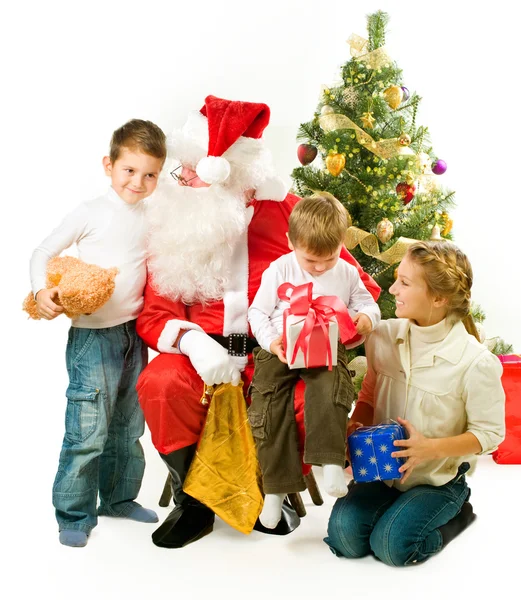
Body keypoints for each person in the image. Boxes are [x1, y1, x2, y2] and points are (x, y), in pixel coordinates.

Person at [135, 95, 381, 549]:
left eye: (200, 172)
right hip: (202, 352)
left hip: (277, 350)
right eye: (189, 170)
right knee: (160, 383)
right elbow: (155, 311)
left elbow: (354, 283)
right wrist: (193, 344)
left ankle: (276, 485)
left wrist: (325, 326)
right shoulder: (176, 220)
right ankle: (195, 501)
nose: (190, 181)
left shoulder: (292, 214)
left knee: (313, 398)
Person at [324, 240, 505, 566]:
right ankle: (395, 512)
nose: (392, 289)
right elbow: (367, 395)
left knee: (393, 547)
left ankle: (459, 513)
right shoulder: (382, 338)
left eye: (405, 283)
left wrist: (429, 449)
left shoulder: (475, 362)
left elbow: (490, 435)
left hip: (437, 480)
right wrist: (358, 423)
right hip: (382, 472)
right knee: (345, 537)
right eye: (396, 278)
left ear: (438, 298)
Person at [30, 119, 167, 547]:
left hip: (134, 335)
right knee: (88, 428)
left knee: (128, 427)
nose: (138, 182)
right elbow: (43, 251)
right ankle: (73, 513)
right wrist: (41, 290)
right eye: (129, 170)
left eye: (150, 175)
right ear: (109, 165)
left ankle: (119, 498)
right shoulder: (91, 212)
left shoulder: (152, 216)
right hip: (92, 337)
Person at [247, 192, 381, 529]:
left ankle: (330, 462)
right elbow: (258, 312)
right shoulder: (280, 268)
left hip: (323, 344)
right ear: (291, 241)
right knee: (269, 402)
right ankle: (276, 491)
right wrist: (271, 341)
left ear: (341, 244)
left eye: (329, 258)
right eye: (311, 261)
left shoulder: (347, 272)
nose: (320, 267)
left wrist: (367, 318)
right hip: (281, 346)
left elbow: (367, 304)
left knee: (332, 385)